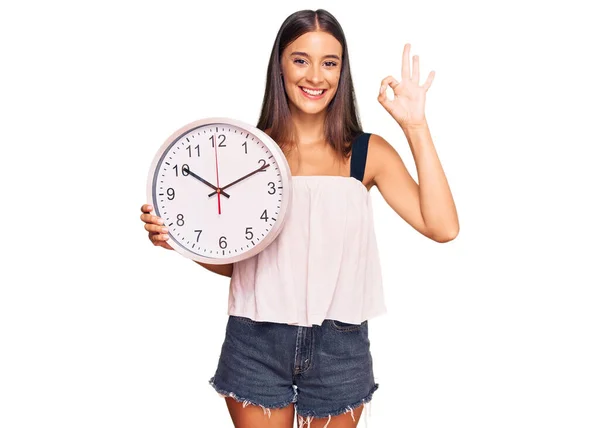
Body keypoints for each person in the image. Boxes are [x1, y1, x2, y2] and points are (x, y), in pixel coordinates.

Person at [140, 8, 458, 428]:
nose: (316, 76)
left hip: (339, 345)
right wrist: (178, 241)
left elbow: (443, 227)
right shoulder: (248, 151)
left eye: (330, 62)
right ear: (280, 66)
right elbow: (239, 262)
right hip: (256, 340)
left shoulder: (366, 153)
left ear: (342, 72)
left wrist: (415, 126)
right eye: (300, 59)